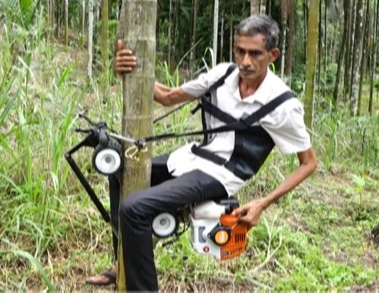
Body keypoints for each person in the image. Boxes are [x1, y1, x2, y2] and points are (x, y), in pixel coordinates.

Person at [86, 15, 318, 290]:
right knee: (120, 171)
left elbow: (309, 163)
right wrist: (128, 68)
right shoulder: (222, 75)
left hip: (222, 175)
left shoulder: (283, 104)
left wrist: (262, 204)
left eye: (255, 53)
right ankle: (122, 264)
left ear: (272, 54)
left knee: (134, 208)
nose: (245, 61)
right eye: (240, 51)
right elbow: (168, 96)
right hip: (192, 157)